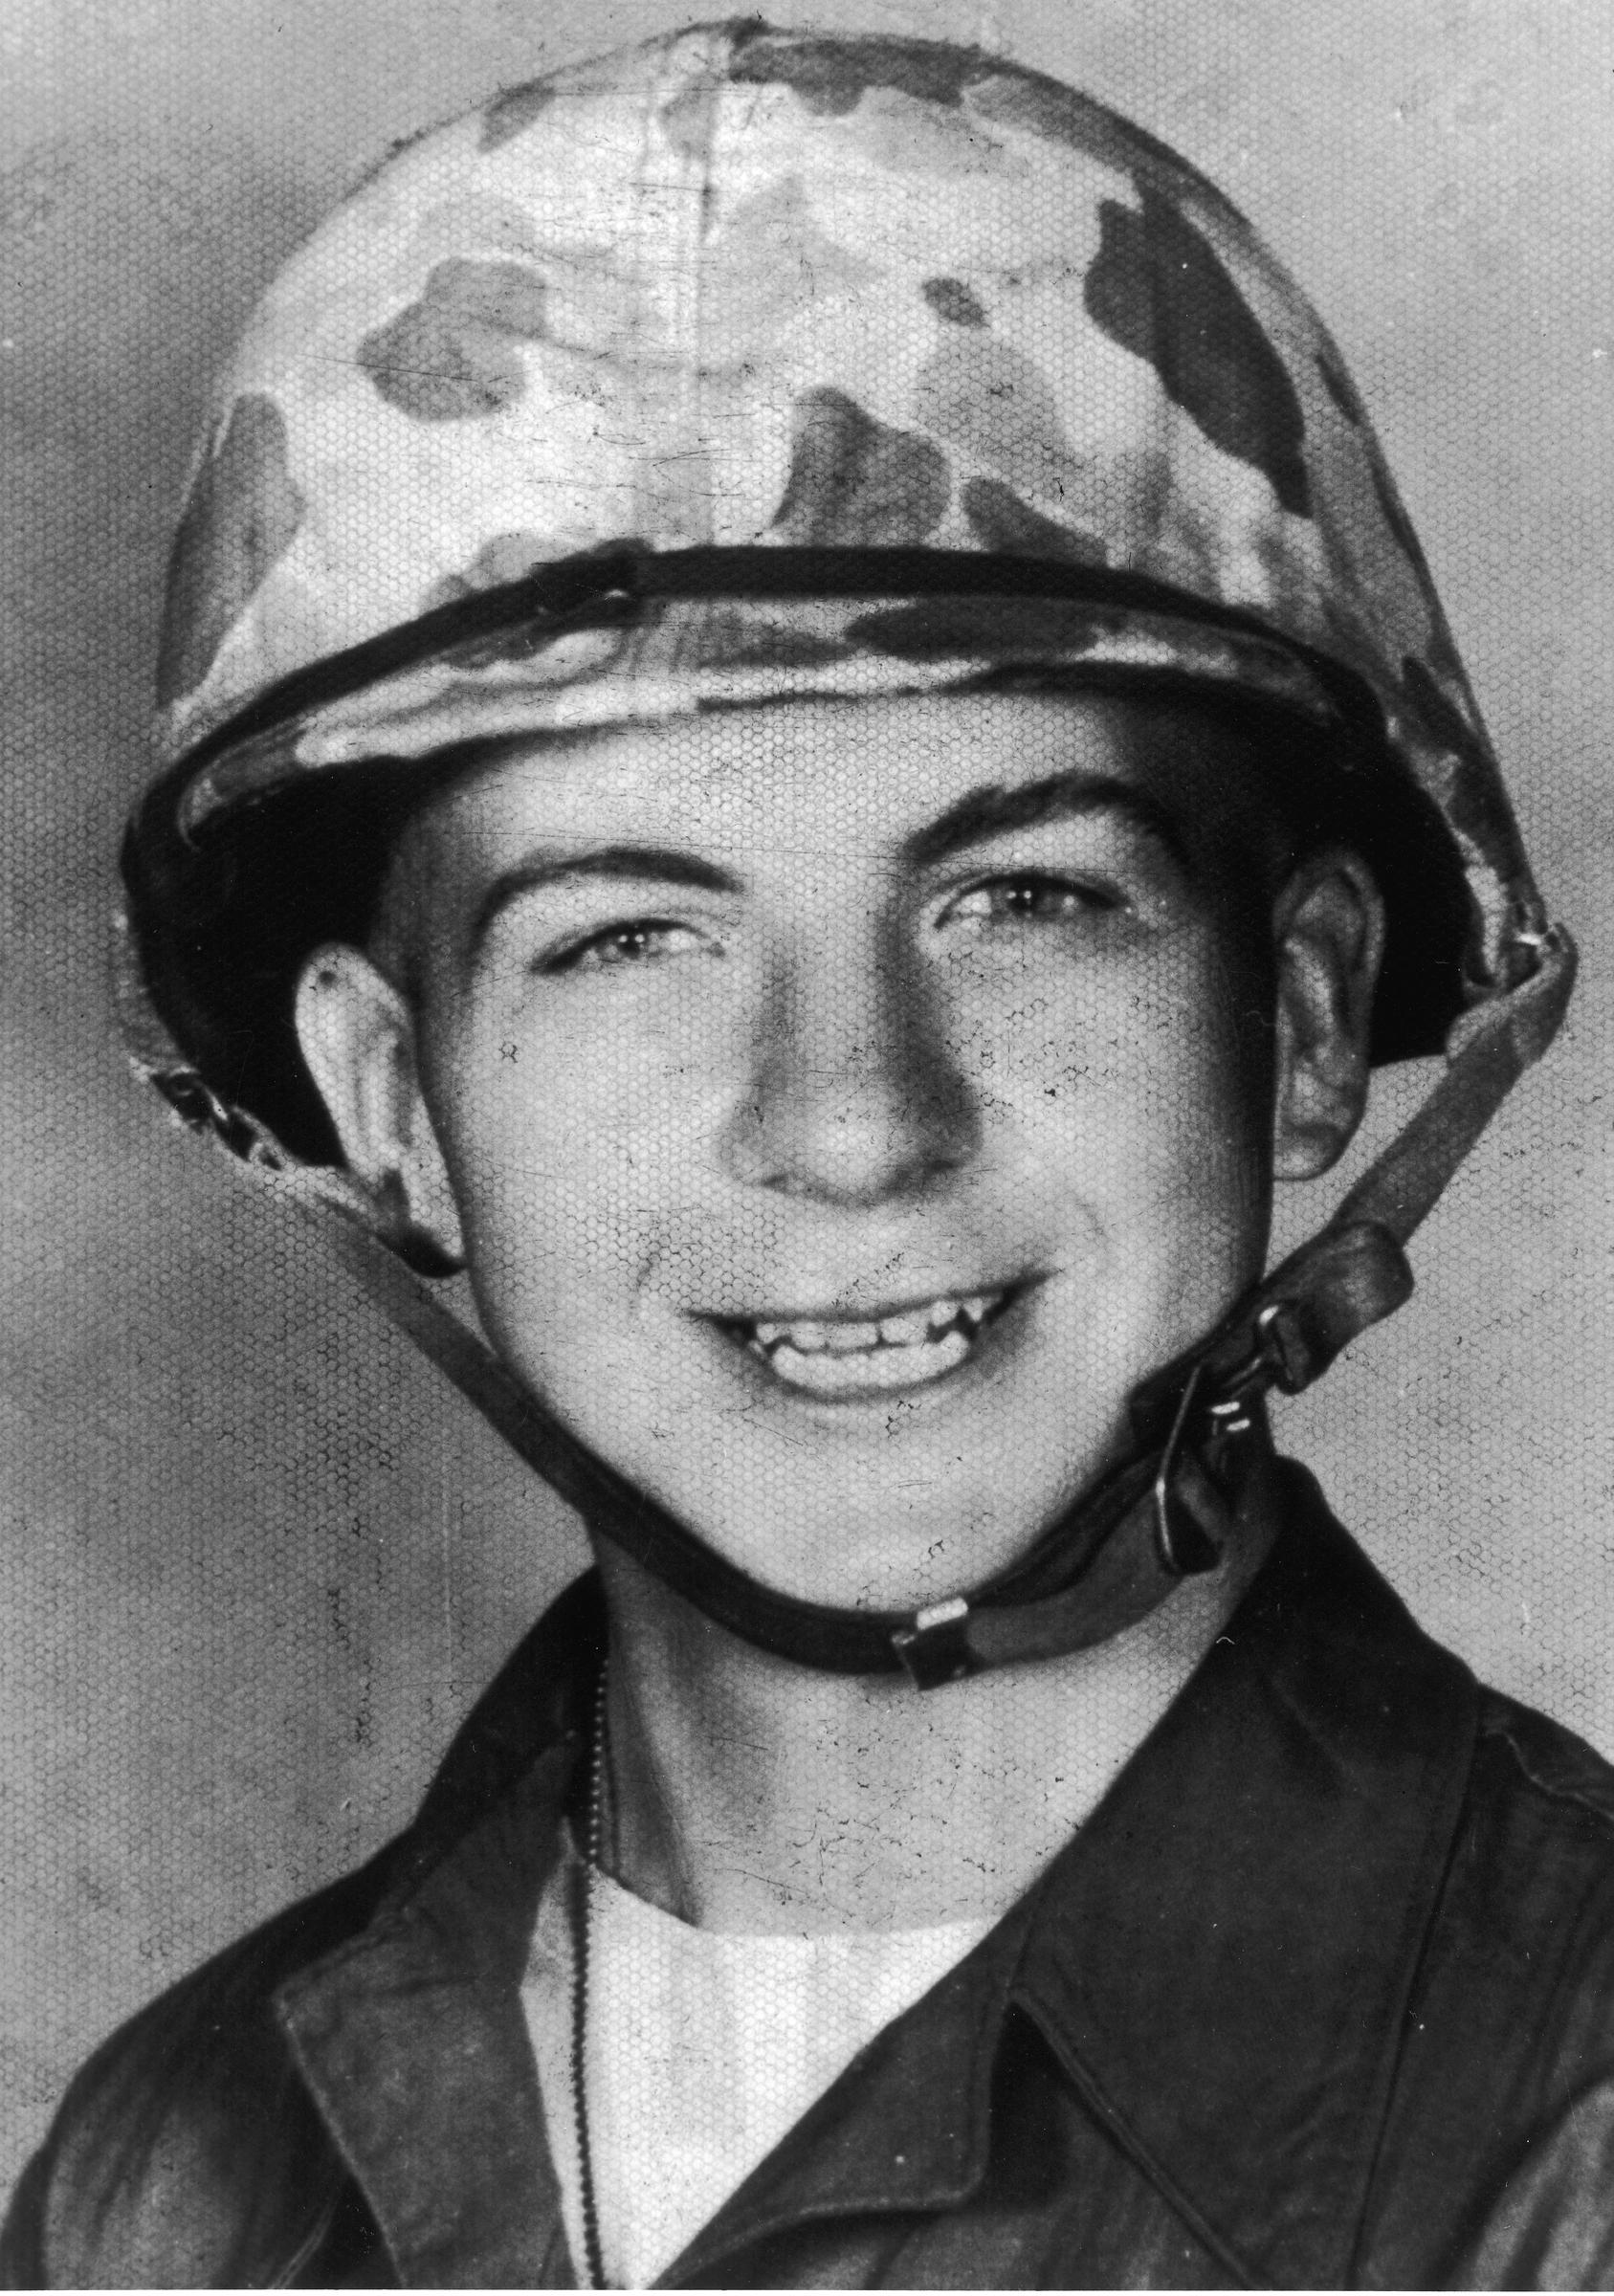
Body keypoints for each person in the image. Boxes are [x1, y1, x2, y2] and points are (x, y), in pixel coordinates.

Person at [2, 18, 1607, 2288]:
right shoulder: (176, 2182)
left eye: (1021, 897)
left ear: (1309, 1012)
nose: (849, 1124)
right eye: (627, 934)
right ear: (388, 1112)